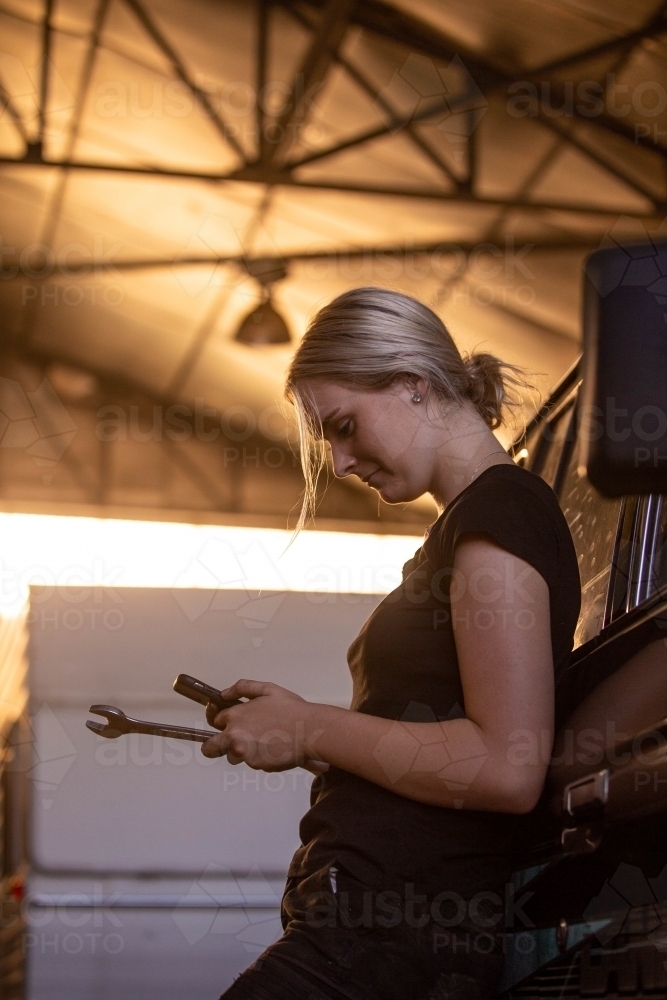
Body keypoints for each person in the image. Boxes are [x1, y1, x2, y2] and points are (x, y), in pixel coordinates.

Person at [201, 287, 582, 1000]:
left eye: (345, 426)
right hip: (367, 928)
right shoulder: (471, 525)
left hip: (392, 934)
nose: (341, 464)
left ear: (412, 383)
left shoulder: (499, 513)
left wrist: (315, 725)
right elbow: (436, 737)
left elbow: (506, 765)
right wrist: (303, 729)